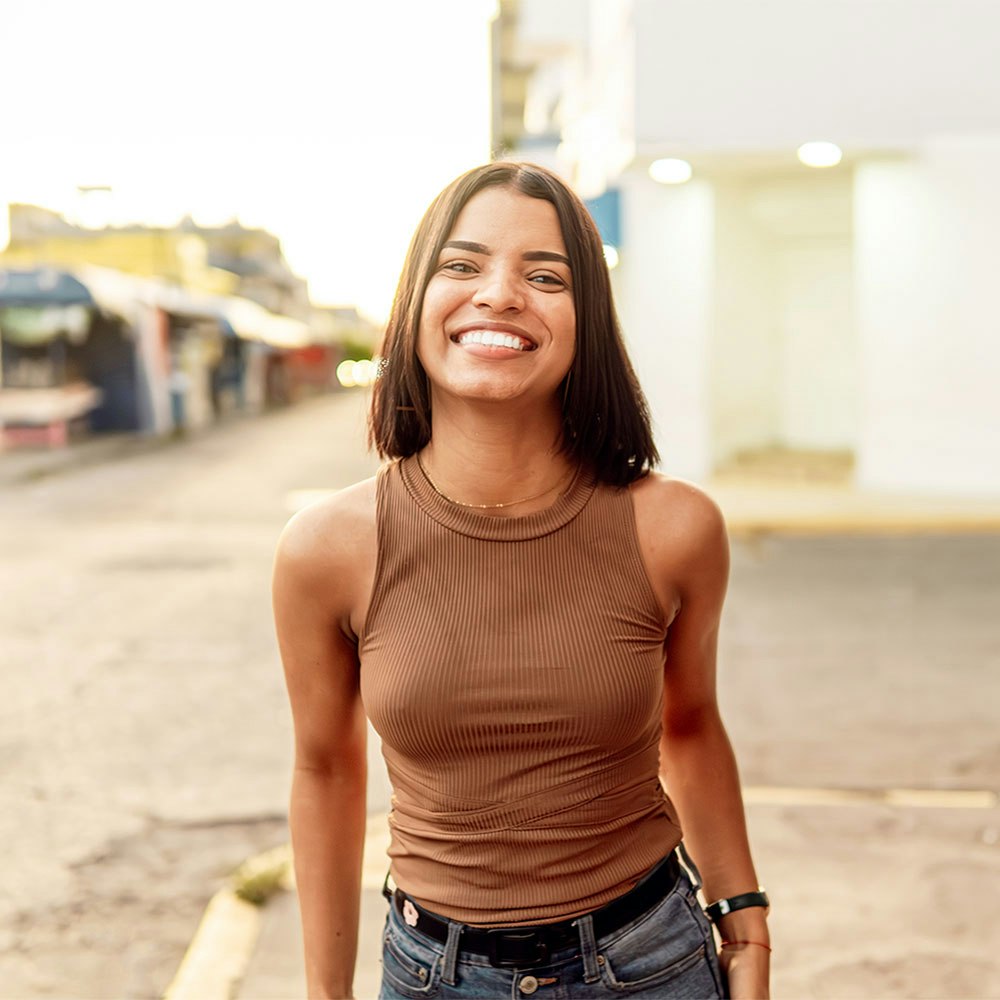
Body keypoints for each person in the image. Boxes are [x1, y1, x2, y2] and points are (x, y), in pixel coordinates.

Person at [272, 162, 770, 1000]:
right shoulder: (326, 549)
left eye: (545, 277)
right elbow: (324, 771)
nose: (499, 295)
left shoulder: (674, 528)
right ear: (414, 303)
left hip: (651, 962)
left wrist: (746, 926)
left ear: (586, 323)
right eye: (462, 265)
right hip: (435, 974)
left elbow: (691, 727)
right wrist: (327, 995)